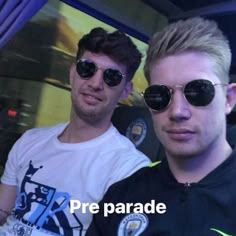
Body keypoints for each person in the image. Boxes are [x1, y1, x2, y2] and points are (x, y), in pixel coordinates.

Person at [86, 17, 236, 235]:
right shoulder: (122, 196)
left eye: (197, 91)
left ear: (229, 99)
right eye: (159, 95)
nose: (177, 111)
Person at [0, 27, 150, 235]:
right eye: (87, 68)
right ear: (72, 72)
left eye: (112, 76)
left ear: (125, 90)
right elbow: (3, 211)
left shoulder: (129, 168)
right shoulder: (30, 140)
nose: (96, 83)